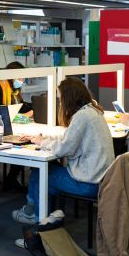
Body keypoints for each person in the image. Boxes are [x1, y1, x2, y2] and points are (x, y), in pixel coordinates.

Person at [12, 77, 114, 228]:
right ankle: (40, 213)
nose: (60, 102)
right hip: (103, 180)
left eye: (60, 98)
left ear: (69, 98)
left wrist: (42, 142)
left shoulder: (81, 116)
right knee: (47, 179)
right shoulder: (93, 111)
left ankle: (37, 221)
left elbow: (64, 149)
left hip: (88, 184)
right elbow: (71, 138)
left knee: (40, 174)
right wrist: (45, 138)